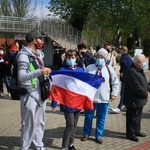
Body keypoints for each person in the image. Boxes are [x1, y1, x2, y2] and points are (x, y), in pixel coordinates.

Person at [17, 30, 51, 150]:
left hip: (40, 93)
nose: (42, 41)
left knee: (40, 123)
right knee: (28, 124)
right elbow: (21, 77)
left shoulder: (39, 55)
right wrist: (39, 71)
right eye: (40, 39)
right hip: (29, 94)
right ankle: (25, 147)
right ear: (34, 40)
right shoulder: (23, 55)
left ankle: (39, 145)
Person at [81, 48, 119, 144]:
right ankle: (86, 134)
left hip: (104, 99)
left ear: (105, 58)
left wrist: (114, 94)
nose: (100, 59)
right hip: (91, 98)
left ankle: (99, 135)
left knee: (101, 118)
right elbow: (83, 81)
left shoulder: (109, 69)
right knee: (88, 117)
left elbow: (115, 82)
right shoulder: (89, 68)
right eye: (98, 57)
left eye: (102, 57)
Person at [51, 50, 83, 150]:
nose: (71, 59)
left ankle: (71, 144)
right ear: (66, 58)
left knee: (74, 125)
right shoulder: (62, 70)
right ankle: (64, 147)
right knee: (70, 125)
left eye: (73, 57)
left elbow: (85, 86)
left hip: (77, 101)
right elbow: (56, 87)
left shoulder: (80, 70)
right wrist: (54, 103)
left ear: (76, 58)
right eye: (69, 58)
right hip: (67, 102)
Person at [123, 53, 150, 142]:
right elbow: (136, 86)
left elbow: (145, 83)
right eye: (143, 61)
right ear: (138, 63)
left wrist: (148, 90)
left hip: (140, 100)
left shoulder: (140, 70)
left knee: (138, 117)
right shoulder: (131, 71)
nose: (144, 63)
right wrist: (145, 93)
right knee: (132, 118)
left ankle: (136, 131)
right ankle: (130, 134)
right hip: (133, 100)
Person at [111, 46, 133, 113]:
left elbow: (123, 64)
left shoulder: (123, 57)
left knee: (122, 93)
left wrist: (122, 71)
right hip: (129, 77)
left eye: (120, 50)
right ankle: (127, 106)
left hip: (125, 78)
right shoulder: (129, 57)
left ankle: (119, 107)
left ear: (123, 51)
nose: (120, 51)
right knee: (127, 92)